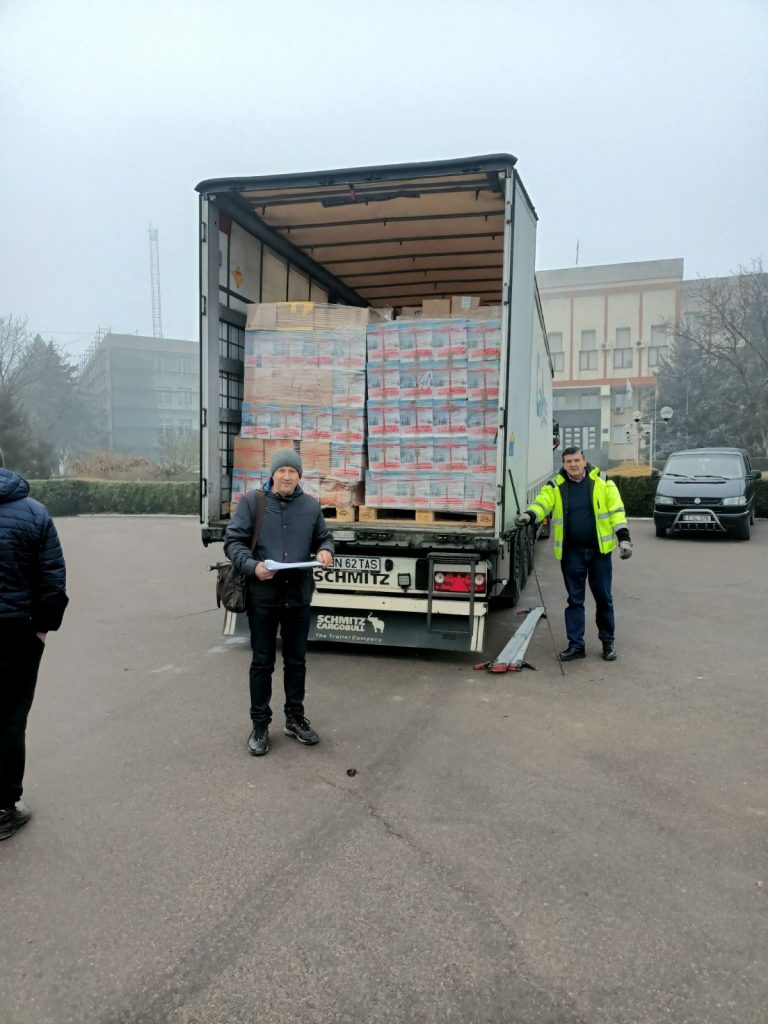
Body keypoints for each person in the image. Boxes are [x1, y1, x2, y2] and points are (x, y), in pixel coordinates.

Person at [224, 449, 334, 756]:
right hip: (263, 598)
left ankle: (294, 719)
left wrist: (326, 551)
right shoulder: (253, 502)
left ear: (300, 476)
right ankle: (260, 724)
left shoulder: (310, 506)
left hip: (298, 597)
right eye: (282, 470)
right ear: (273, 473)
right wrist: (252, 566)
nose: (287, 476)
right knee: (262, 662)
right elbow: (233, 542)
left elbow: (324, 538)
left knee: (296, 662)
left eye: (293, 471)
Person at [0, 446, 68, 841]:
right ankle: (4, 808)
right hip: (17, 633)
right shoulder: (34, 512)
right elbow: (52, 579)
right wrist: (44, 627)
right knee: (10, 718)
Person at [515, 446, 632, 662]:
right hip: (572, 554)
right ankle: (576, 645)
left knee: (603, 599)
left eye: (577, 460)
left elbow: (617, 511)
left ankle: (608, 643)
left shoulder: (603, 482)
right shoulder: (556, 485)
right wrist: (530, 515)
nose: (573, 465)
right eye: (568, 461)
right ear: (564, 464)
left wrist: (624, 538)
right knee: (575, 601)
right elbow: (543, 503)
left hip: (600, 553)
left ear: (584, 460)